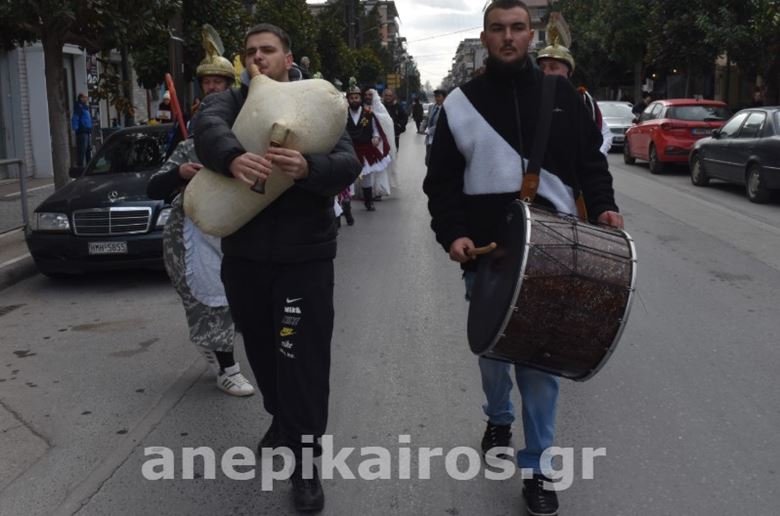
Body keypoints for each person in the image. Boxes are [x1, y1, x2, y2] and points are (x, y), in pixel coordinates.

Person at [423, 2, 623, 515]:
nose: (508, 37)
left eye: (517, 28)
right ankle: (498, 417)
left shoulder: (564, 97)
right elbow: (441, 182)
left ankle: (538, 469)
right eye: (498, 29)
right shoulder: (460, 104)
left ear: (531, 35)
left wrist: (604, 206)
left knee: (539, 365)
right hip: (490, 254)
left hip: (556, 252)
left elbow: (590, 163)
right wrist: (453, 233)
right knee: (494, 356)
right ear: (485, 36)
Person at [193, 23, 361, 512]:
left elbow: (348, 161)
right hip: (244, 260)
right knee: (264, 354)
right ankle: (281, 417)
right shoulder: (231, 102)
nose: (257, 58)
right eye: (250, 51)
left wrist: (309, 169)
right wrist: (232, 157)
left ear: (288, 59)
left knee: (300, 359)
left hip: (303, 260)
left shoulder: (320, 103)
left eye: (267, 50)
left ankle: (306, 463)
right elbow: (208, 128)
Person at [147, 27, 254, 398]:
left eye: (219, 82)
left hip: (238, 230)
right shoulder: (187, 142)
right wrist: (180, 173)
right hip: (195, 234)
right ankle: (228, 369)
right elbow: (154, 187)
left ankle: (216, 348)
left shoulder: (247, 137)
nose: (212, 88)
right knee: (214, 299)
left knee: (240, 302)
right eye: (207, 82)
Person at [536, 38, 613, 156]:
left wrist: (594, 158)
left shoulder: (582, 100)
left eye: (553, 67)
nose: (546, 72)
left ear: (569, 73)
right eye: (542, 68)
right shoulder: (531, 98)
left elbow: (604, 134)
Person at [345, 84, 391, 211]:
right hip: (350, 148)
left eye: (356, 98)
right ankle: (346, 204)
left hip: (365, 147)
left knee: (367, 175)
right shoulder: (343, 114)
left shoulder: (368, 113)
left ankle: (369, 201)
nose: (354, 100)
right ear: (348, 99)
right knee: (348, 176)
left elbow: (375, 128)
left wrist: (376, 137)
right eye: (351, 98)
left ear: (360, 98)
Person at [423, 89, 446, 167]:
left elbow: (441, 123)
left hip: (439, 138)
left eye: (439, 96)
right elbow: (427, 118)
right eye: (435, 96)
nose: (437, 99)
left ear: (444, 97)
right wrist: (423, 127)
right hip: (429, 138)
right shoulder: (432, 107)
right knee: (428, 161)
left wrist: (430, 130)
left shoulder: (446, 109)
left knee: (433, 161)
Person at [71, 93, 93, 167]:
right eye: (85, 97)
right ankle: (80, 167)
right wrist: (76, 128)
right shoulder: (79, 107)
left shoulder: (85, 107)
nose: (86, 99)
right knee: (82, 150)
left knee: (88, 150)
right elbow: (75, 118)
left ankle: (88, 167)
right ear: (81, 98)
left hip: (87, 131)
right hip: (82, 132)